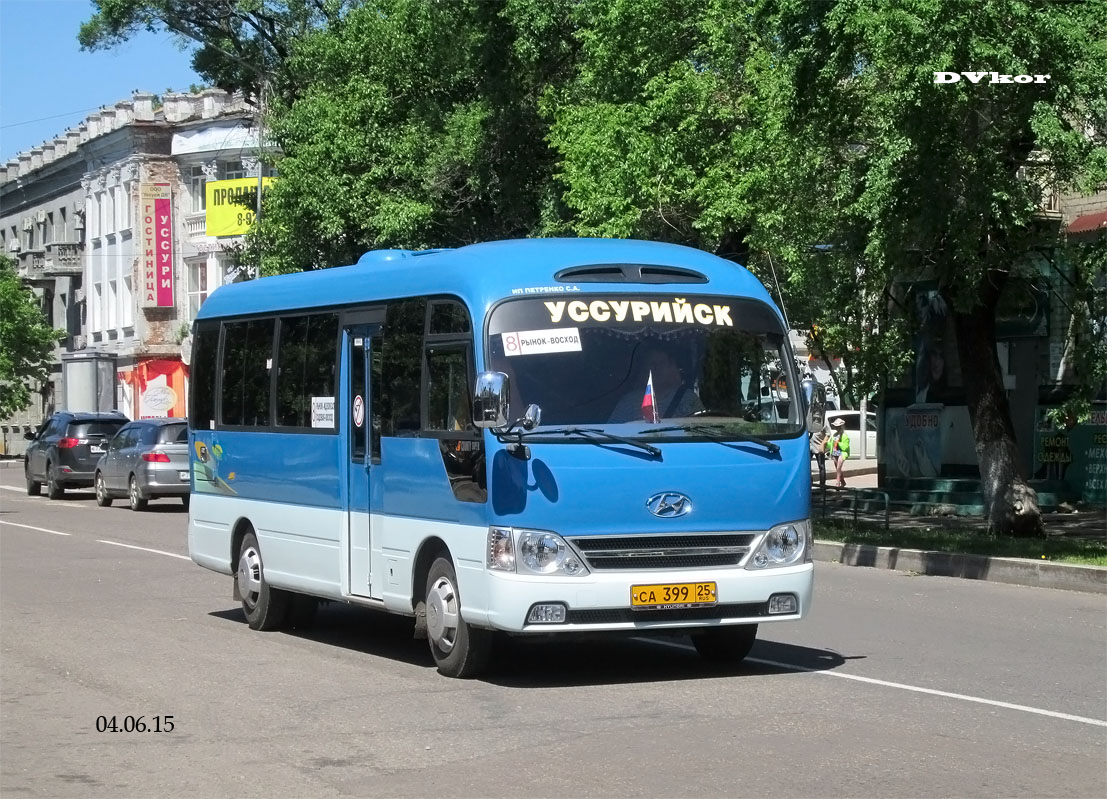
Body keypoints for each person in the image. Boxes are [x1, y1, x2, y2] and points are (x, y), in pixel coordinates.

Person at [610, 347, 703, 422]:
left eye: (662, 363)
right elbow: (613, 431)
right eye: (652, 364)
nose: (657, 368)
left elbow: (701, 429)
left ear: (670, 366)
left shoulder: (687, 399)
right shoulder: (629, 402)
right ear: (645, 369)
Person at [827, 417, 851, 487]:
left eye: (838, 427)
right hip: (835, 452)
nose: (836, 428)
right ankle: (842, 481)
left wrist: (838, 443)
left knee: (838, 467)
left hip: (842, 453)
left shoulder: (845, 436)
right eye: (836, 427)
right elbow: (830, 444)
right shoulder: (834, 435)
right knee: (838, 468)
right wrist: (826, 444)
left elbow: (846, 447)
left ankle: (837, 482)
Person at [810, 418, 830, 488]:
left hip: (819, 446)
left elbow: (828, 434)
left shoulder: (824, 419)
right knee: (806, 465)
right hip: (808, 446)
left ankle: (822, 485)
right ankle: (810, 481)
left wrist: (823, 444)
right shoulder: (808, 418)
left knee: (821, 466)